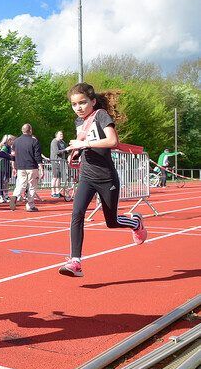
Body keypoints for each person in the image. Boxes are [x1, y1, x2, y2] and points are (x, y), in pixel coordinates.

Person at [59, 83, 147, 278]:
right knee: (77, 213)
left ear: (93, 101)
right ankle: (76, 262)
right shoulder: (78, 122)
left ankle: (135, 223)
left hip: (106, 178)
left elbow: (112, 141)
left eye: (82, 103)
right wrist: (75, 152)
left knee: (112, 222)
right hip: (87, 176)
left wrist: (85, 143)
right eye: (74, 104)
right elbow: (86, 145)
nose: (78, 107)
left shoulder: (101, 115)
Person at [9, 124, 43, 212]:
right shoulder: (34, 141)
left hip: (20, 167)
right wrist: (41, 168)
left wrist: (13, 167)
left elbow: (13, 155)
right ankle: (30, 205)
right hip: (32, 167)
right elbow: (37, 156)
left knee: (20, 184)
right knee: (32, 186)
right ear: (30, 130)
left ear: (22, 130)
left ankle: (15, 195)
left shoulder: (16, 142)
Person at [0, 135, 15, 204]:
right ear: (9, 140)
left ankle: (1, 195)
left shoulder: (9, 147)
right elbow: (0, 154)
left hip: (3, 166)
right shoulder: (5, 147)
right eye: (12, 140)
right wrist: (10, 156)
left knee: (1, 181)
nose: (13, 142)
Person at [50, 131, 67, 197]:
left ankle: (58, 192)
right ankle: (53, 192)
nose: (62, 135)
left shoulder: (62, 142)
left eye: (62, 134)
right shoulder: (54, 141)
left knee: (59, 177)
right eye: (60, 134)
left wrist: (69, 149)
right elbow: (57, 151)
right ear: (56, 135)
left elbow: (66, 151)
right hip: (55, 160)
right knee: (55, 177)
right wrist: (65, 150)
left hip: (61, 161)